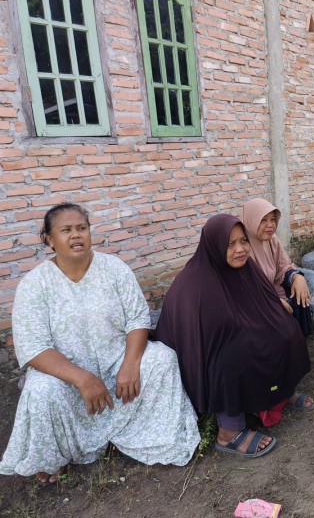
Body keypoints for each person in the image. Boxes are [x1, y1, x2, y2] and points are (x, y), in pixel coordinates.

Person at [0, 203, 200, 483]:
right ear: (48, 239)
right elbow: (33, 347)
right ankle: (56, 453)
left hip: (117, 361)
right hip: (67, 375)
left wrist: (131, 364)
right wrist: (82, 379)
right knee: (40, 390)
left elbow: (137, 318)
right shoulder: (35, 285)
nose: (76, 235)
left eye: (82, 228)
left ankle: (139, 434)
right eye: (66, 230)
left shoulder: (114, 268)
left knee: (162, 359)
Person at [154, 214, 314, 458]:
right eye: (230, 244)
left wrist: (277, 306)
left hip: (238, 328)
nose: (240, 249)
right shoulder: (196, 282)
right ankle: (228, 431)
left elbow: (262, 299)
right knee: (235, 353)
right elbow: (211, 332)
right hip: (207, 349)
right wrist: (254, 328)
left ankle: (281, 392)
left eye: (243, 241)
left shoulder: (246, 267)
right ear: (215, 244)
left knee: (285, 330)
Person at [242, 198, 314, 337]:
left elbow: (284, 267)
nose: (270, 225)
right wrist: (271, 302)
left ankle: (299, 340)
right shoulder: (241, 248)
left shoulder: (272, 240)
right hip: (252, 304)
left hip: (272, 292)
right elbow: (243, 289)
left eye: (273, 219)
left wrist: (297, 277)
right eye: (263, 220)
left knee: (299, 293)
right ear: (251, 219)